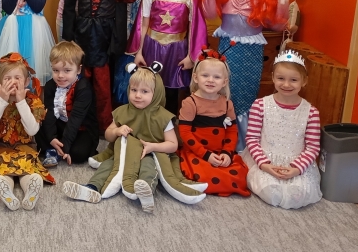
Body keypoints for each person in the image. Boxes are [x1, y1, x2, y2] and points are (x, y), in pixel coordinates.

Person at [62, 64, 205, 212]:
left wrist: (153, 146)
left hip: (150, 154)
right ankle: (92, 187)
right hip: (124, 153)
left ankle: (146, 192)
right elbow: (108, 135)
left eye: (144, 91)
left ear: (156, 93)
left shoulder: (163, 116)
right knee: (108, 166)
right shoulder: (123, 111)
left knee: (148, 169)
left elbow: (173, 144)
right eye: (134, 90)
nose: (137, 95)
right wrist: (117, 131)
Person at [203, 0, 289, 150]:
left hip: (251, 53)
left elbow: (278, 26)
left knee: (246, 93)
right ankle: (218, 139)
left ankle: (240, 143)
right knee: (222, 90)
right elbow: (209, 14)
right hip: (227, 49)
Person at [62, 0, 138, 132]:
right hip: (81, 35)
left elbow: (120, 17)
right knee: (79, 79)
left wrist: (118, 44)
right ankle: (77, 120)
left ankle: (104, 124)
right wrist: (68, 37)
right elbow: (69, 9)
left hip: (104, 39)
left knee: (102, 83)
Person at [129, 0, 208, 114]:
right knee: (148, 85)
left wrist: (191, 56)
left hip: (177, 50)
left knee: (171, 91)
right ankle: (146, 122)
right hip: (152, 47)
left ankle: (168, 124)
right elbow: (143, 25)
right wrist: (139, 52)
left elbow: (195, 29)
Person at [241, 50, 322, 209]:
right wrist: (265, 165)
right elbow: (252, 139)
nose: (286, 84)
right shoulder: (260, 105)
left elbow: (312, 147)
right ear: (273, 77)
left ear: (304, 81)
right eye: (281, 78)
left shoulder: (311, 112)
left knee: (298, 193)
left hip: (297, 164)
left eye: (293, 80)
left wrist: (296, 169)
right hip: (264, 160)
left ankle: (295, 185)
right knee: (271, 192)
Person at [0, 54, 54, 211]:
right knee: (2, 170)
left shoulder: (33, 101)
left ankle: (31, 189)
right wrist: (2, 101)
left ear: (26, 82)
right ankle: (6, 190)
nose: (13, 82)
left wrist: (21, 102)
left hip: (25, 146)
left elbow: (32, 130)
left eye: (17, 78)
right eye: (7, 79)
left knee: (27, 169)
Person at [176, 49, 249, 196]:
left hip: (219, 152)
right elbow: (185, 133)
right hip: (197, 152)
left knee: (240, 176)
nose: (210, 80)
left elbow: (231, 131)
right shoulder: (190, 103)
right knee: (202, 175)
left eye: (216, 77)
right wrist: (206, 155)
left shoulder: (227, 103)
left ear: (224, 82)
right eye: (205, 75)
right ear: (196, 78)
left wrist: (227, 153)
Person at [113, 0, 164, 106]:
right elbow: (126, 16)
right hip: (132, 44)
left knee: (150, 82)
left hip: (153, 43)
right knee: (127, 82)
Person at [36, 41, 99, 167]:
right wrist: (51, 137)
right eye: (55, 70)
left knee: (78, 154)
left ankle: (58, 149)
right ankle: (52, 147)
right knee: (38, 126)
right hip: (60, 123)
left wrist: (66, 146)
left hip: (81, 128)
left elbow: (76, 119)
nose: (60, 75)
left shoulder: (83, 88)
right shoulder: (50, 86)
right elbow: (49, 113)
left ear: (78, 69)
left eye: (67, 70)